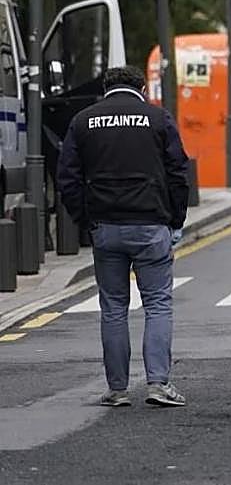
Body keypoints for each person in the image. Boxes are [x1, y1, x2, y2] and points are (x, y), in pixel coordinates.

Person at [57, 66, 191, 408]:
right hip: (151, 224)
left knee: (113, 308)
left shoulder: (84, 121)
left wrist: (85, 219)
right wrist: (175, 220)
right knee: (158, 304)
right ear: (142, 88)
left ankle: (117, 389)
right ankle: (158, 384)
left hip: (106, 226)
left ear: (106, 88)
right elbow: (178, 173)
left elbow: (67, 177)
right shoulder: (158, 119)